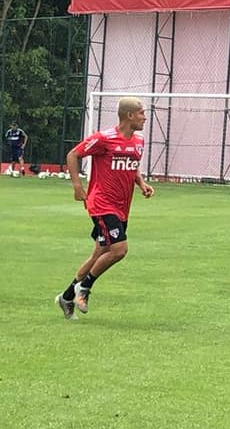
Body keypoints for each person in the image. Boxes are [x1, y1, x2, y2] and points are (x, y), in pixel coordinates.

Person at [55, 97, 155, 319]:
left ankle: (67, 296)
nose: (144, 117)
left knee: (99, 254)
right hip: (101, 204)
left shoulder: (138, 141)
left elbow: (131, 167)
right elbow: (73, 155)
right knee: (119, 250)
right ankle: (85, 287)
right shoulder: (104, 138)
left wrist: (141, 183)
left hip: (122, 207)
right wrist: (77, 187)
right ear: (129, 115)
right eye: (141, 113)